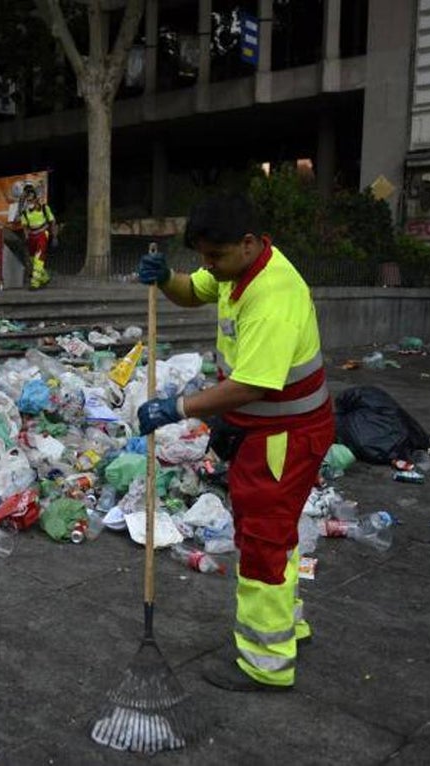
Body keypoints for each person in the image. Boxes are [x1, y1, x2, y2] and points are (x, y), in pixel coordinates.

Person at [136, 193, 334, 693]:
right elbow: (191, 290)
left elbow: (252, 385)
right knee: (272, 532)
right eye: (202, 256)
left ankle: (265, 663)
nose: (207, 267)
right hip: (266, 430)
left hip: (284, 436)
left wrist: (178, 408)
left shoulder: (273, 298)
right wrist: (165, 279)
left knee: (264, 542)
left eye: (214, 257)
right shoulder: (235, 268)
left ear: (248, 244)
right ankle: (289, 628)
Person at [16, 184, 55, 289]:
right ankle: (45, 278)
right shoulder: (24, 212)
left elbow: (52, 221)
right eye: (27, 198)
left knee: (39, 257)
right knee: (33, 259)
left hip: (43, 233)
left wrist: (54, 236)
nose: (29, 202)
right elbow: (24, 226)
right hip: (32, 236)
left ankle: (35, 283)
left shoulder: (44, 208)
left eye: (30, 196)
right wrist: (26, 237)